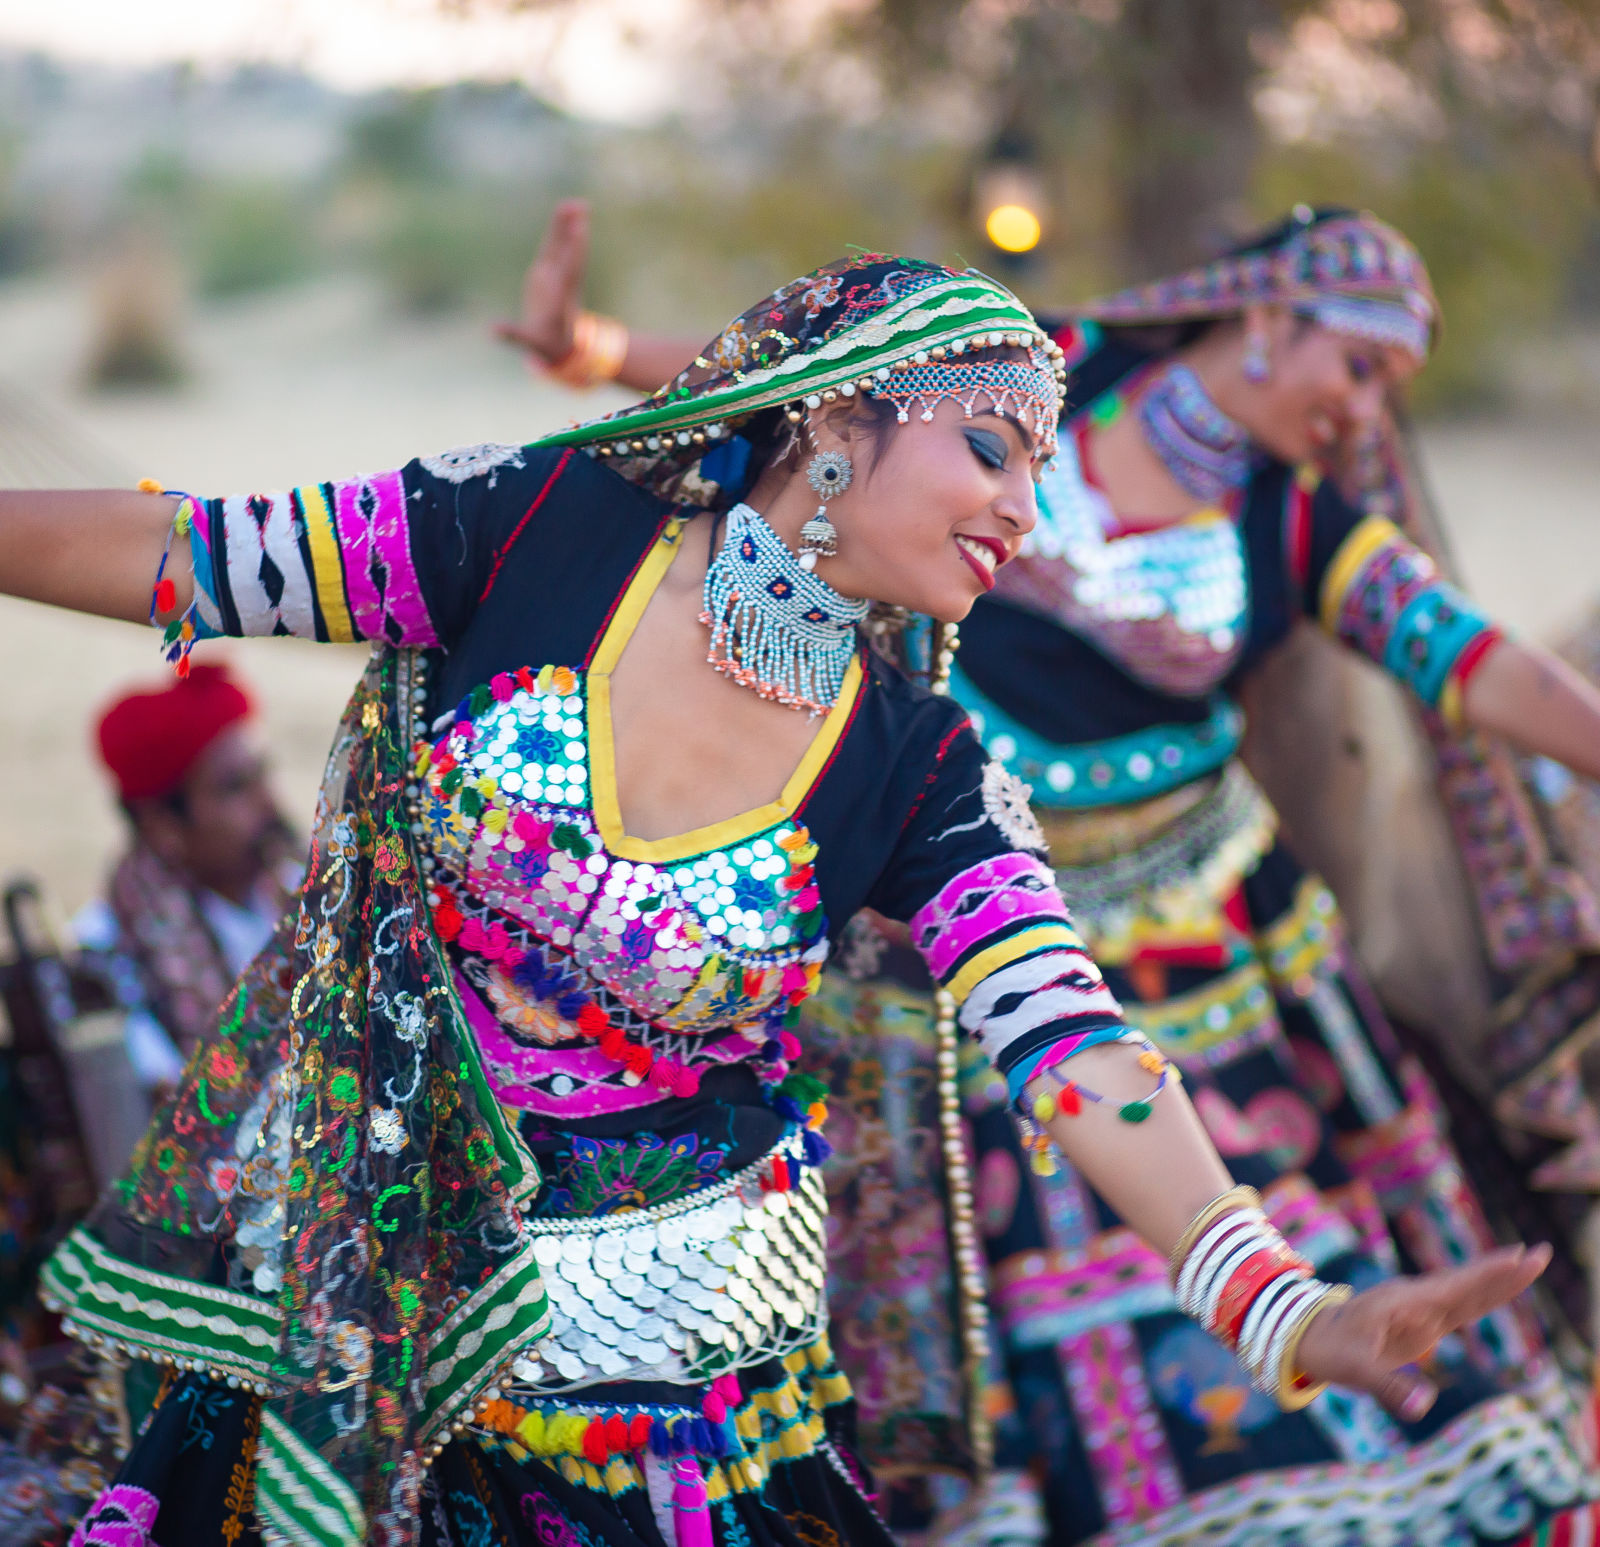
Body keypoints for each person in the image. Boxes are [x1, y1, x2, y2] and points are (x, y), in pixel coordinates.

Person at [0, 254, 1566, 1547]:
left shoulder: (920, 761)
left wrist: (1284, 1307)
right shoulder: (538, 526)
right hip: (370, 1308)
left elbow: (1077, 1046)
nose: (1027, 508)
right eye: (991, 449)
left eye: (1039, 462)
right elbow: (183, 551)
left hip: (660, 1404)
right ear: (834, 421)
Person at [502, 209, 1600, 1546]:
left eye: (1393, 387)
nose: (1368, 410)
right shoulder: (1049, 374)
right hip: (944, 904)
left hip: (1196, 937)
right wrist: (594, 346)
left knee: (1224, 1187)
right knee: (965, 1252)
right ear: (1268, 316)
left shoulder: (1306, 522)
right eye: (1361, 365)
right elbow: (808, 383)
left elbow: (1477, 662)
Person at [76, 663, 297, 1098]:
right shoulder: (101, 955)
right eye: (235, 787)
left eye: (261, 774)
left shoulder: (300, 888)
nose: (267, 801)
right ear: (162, 826)